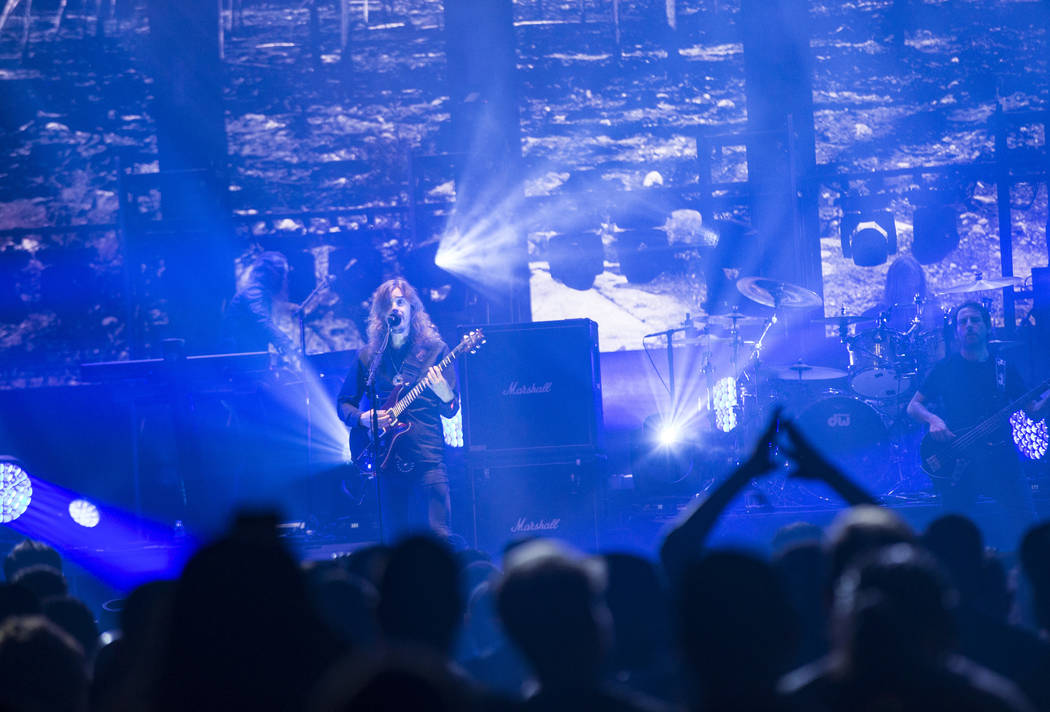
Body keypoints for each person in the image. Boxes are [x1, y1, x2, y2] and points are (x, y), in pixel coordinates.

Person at [906, 301, 1047, 538]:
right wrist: (933, 421)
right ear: (957, 331)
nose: (969, 326)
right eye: (963, 322)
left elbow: (1033, 410)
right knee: (950, 536)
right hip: (960, 460)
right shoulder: (946, 367)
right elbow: (913, 406)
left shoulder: (1003, 367)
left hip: (1002, 460)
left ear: (988, 327)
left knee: (1029, 530)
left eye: (975, 320)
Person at [338, 278, 459, 540]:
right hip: (386, 461)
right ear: (381, 314)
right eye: (389, 304)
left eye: (401, 302)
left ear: (413, 309)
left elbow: (451, 408)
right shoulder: (369, 356)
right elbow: (343, 404)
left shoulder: (436, 351)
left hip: (427, 457)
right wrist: (362, 418)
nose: (395, 308)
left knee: (439, 536)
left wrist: (443, 392)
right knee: (395, 540)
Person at [221, 250, 298, 364]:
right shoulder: (253, 292)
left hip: (248, 356)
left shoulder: (257, 291)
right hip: (241, 358)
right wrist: (287, 343)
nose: (283, 278)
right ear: (271, 273)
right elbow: (262, 320)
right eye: (281, 273)